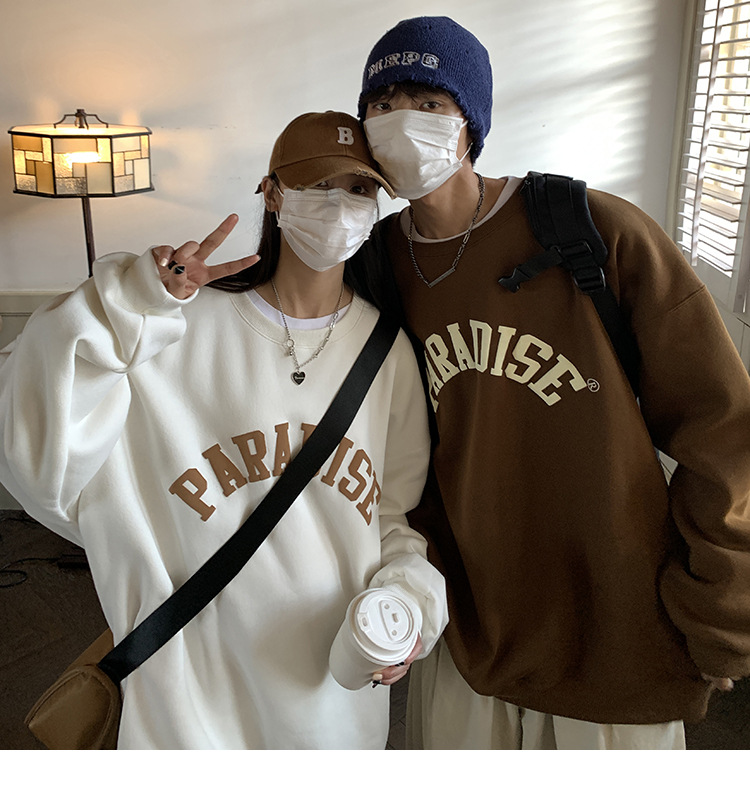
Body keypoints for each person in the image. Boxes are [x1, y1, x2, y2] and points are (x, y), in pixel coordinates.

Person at [355, 16, 750, 750]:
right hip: (472, 626)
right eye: (383, 104)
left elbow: (723, 431)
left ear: (470, 121)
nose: (402, 122)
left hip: (618, 625)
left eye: (429, 102)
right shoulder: (375, 264)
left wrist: (722, 609)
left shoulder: (589, 229)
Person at [0, 110, 448, 750]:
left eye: (357, 189)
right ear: (272, 193)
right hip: (188, 689)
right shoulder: (178, 327)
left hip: (328, 690)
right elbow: (36, 428)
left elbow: (390, 519)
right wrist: (134, 302)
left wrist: (406, 605)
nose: (339, 206)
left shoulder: (388, 353)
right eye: (318, 184)